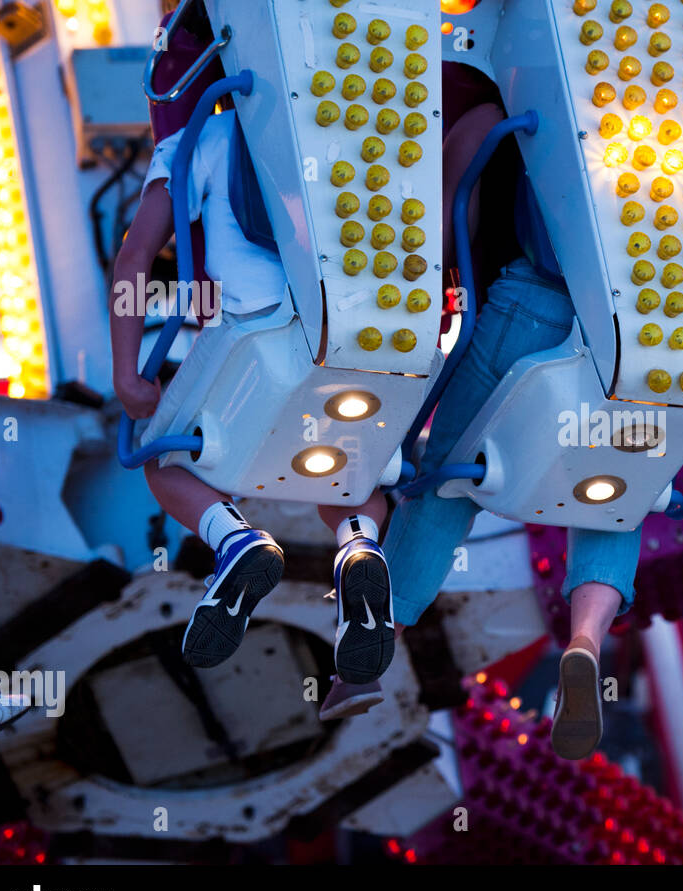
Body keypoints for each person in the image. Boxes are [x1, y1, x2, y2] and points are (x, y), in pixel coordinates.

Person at [110, 4, 396, 704]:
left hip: (256, 343)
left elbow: (134, 256)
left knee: (161, 454)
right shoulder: (357, 123)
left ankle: (234, 539)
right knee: (354, 481)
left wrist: (126, 372)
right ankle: (357, 544)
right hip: (355, 342)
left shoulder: (202, 136)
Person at [374, 64, 643, 760]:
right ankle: (584, 639)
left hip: (530, 298)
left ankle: (382, 628)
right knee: (614, 496)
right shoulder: (652, 101)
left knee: (446, 476)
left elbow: (447, 224)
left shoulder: (478, 101)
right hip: (639, 316)